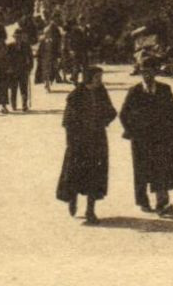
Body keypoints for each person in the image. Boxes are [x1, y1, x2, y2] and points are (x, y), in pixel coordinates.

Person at [119, 64, 173, 214]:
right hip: (141, 138)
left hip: (160, 136)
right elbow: (124, 114)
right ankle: (143, 201)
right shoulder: (134, 91)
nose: (147, 76)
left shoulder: (164, 89)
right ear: (140, 74)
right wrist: (132, 131)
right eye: (144, 73)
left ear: (155, 73)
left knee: (161, 166)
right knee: (141, 170)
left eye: (150, 72)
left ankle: (162, 202)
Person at [56, 65, 117, 225]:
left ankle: (90, 210)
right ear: (89, 78)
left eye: (101, 77)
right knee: (76, 174)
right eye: (97, 77)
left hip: (97, 140)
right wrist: (72, 142)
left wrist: (103, 120)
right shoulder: (76, 95)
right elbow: (67, 121)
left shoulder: (101, 92)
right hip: (79, 143)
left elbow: (111, 111)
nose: (100, 81)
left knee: (95, 175)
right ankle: (72, 198)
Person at [10, 33, 34, 112]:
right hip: (13, 71)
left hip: (23, 71)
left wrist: (30, 68)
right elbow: (7, 58)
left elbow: (30, 58)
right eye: (16, 38)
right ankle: (13, 105)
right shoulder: (10, 46)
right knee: (13, 89)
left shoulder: (26, 46)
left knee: (24, 88)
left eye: (19, 37)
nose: (18, 39)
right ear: (14, 38)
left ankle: (24, 105)